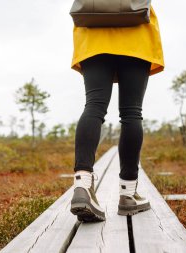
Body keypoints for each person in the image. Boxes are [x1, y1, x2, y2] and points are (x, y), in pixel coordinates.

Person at [69, 4, 165, 222]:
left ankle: (82, 184)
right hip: (136, 33)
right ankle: (128, 194)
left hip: (93, 32)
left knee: (93, 105)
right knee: (132, 113)